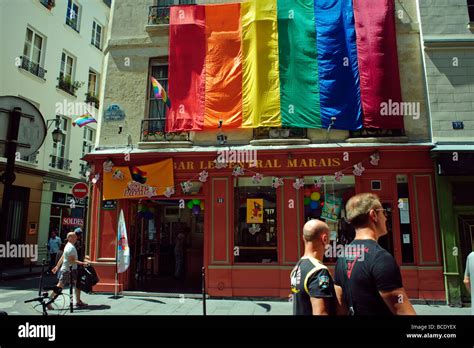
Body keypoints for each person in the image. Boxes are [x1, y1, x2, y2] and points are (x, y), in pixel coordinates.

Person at [335, 193, 416, 315]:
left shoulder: (342, 256)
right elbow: (402, 310)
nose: (386, 217)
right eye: (383, 212)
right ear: (373, 215)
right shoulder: (381, 258)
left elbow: (340, 304)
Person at [290, 219, 345, 315]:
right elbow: (320, 313)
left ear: (304, 238)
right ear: (324, 239)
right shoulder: (319, 272)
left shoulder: (297, 267)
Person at [49, 232, 89, 309]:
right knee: (60, 286)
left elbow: (63, 257)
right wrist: (83, 263)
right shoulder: (70, 247)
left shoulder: (68, 246)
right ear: (69, 238)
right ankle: (49, 301)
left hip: (70, 269)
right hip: (68, 270)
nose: (76, 238)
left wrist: (57, 267)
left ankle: (78, 301)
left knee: (77, 285)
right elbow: (72, 261)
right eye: (74, 237)